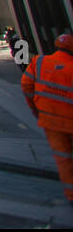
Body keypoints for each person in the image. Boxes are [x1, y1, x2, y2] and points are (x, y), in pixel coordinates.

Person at [20, 34, 73, 206]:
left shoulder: (39, 62)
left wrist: (35, 109)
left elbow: (26, 86)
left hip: (50, 120)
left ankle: (71, 194)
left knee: (63, 157)